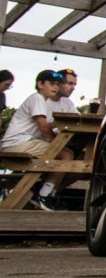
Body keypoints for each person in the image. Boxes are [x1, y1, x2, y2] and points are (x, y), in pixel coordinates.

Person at [0, 70, 71, 211]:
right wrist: (55, 143)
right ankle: (44, 195)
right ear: (40, 84)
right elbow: (44, 128)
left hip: (20, 143)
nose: (55, 87)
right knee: (66, 155)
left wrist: (57, 125)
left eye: (57, 84)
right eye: (51, 84)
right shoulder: (37, 98)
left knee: (62, 156)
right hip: (17, 143)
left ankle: (41, 193)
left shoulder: (40, 101)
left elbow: (45, 126)